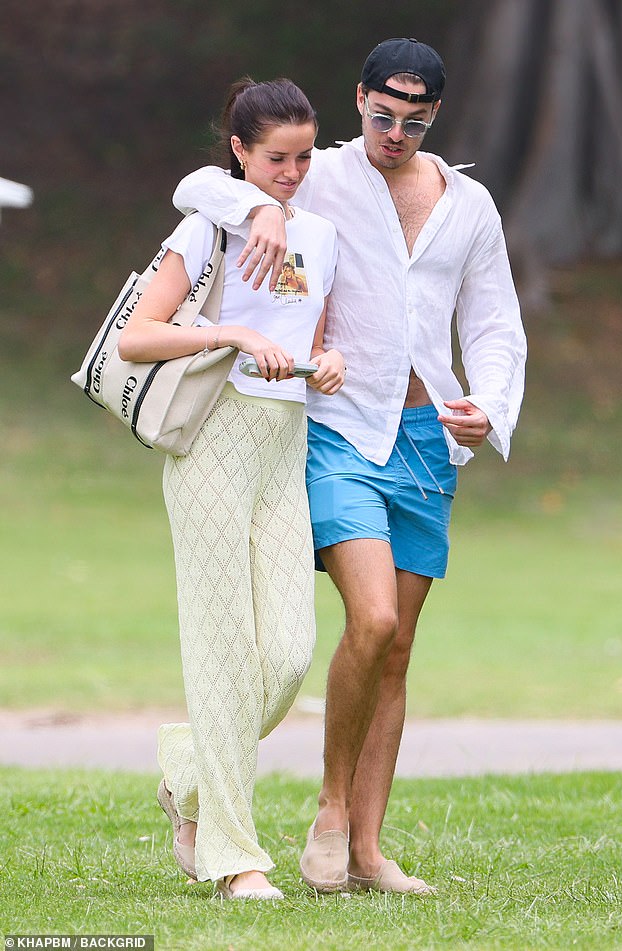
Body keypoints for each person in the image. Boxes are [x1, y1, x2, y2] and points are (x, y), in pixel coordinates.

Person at [172, 38, 527, 896]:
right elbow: (200, 185)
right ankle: (330, 812)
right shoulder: (321, 173)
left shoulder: (469, 204)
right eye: (380, 115)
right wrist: (254, 209)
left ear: (434, 115)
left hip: (424, 438)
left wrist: (490, 405)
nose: (393, 134)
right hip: (334, 429)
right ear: (361, 99)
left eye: (411, 121)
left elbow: (493, 323)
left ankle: (367, 851)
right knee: (369, 620)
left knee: (396, 650)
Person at [119, 76, 345, 901]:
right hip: (212, 436)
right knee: (220, 652)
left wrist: (330, 360)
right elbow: (140, 336)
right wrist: (229, 332)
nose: (291, 172)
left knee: (286, 651)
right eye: (275, 158)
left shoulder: (318, 236)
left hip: (286, 442)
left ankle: (185, 769)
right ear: (240, 152)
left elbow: (314, 335)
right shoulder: (205, 224)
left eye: (303, 157)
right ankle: (234, 857)